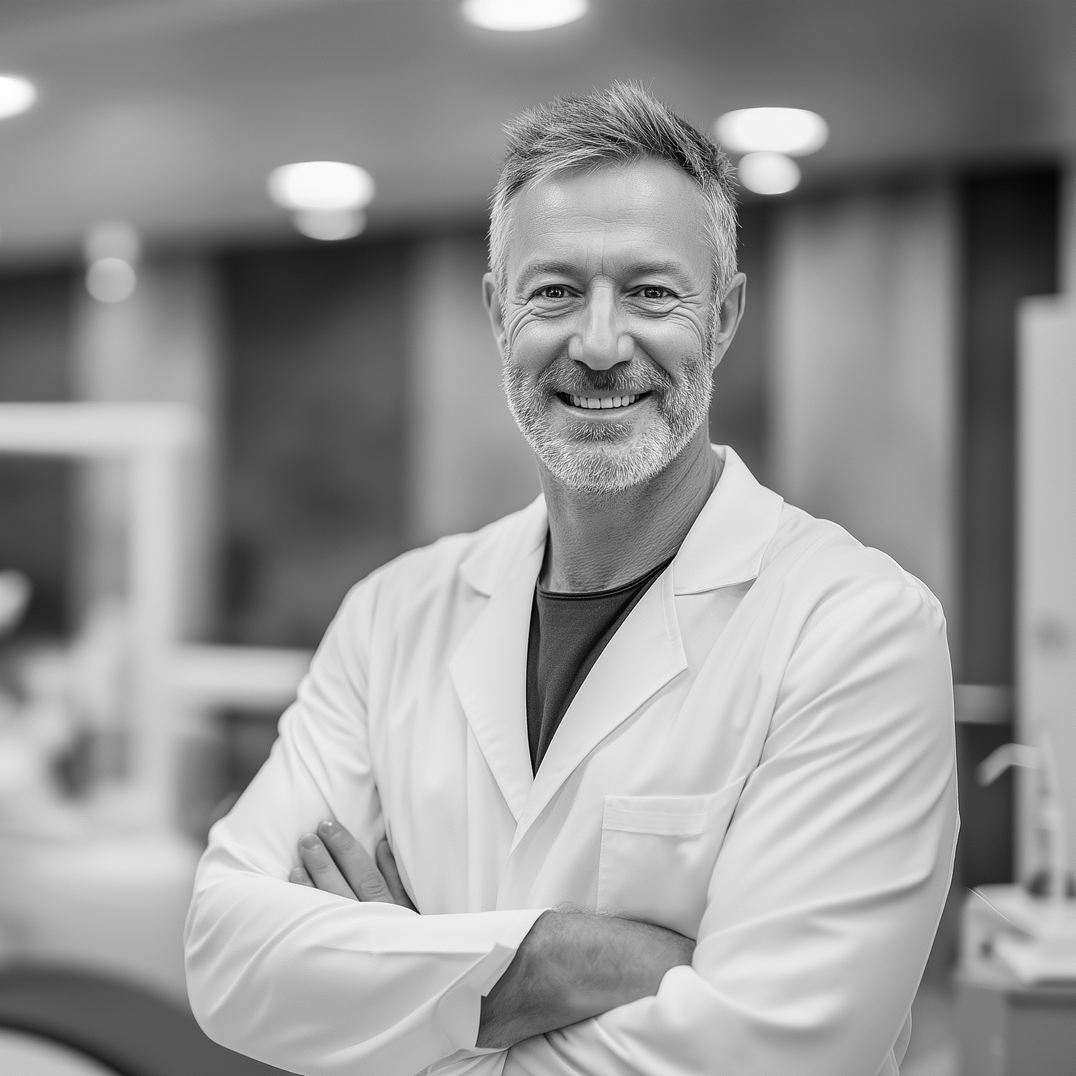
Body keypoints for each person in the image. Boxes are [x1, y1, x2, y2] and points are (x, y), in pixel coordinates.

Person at [185, 83, 958, 1076]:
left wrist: (405, 984)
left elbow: (776, 1054)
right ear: (496, 312)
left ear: (721, 317)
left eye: (649, 291)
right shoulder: (395, 612)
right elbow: (225, 952)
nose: (598, 344)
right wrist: (562, 957)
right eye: (552, 291)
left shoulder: (857, 629)